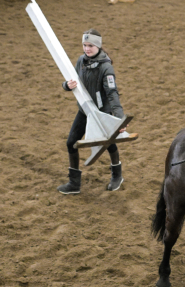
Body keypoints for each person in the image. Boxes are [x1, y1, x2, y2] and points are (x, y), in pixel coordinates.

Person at [57, 28, 126, 195]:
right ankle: (74, 183)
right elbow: (70, 79)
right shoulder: (81, 60)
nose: (87, 49)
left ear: (98, 46)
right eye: (84, 45)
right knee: (71, 142)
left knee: (108, 143)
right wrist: (67, 85)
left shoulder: (106, 68)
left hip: (102, 112)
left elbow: (112, 93)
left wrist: (119, 118)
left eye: (91, 46)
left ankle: (117, 175)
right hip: (85, 109)